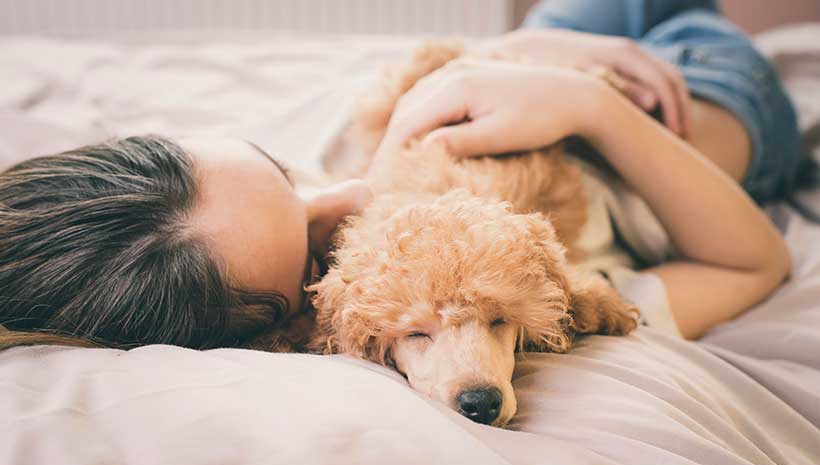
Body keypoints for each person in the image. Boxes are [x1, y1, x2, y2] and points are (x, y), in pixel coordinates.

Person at [0, 0, 801, 350]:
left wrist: (516, 60)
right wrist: (587, 104)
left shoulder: (258, 227)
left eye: (286, 171)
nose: (352, 192)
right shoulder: (499, 293)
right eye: (319, 253)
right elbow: (756, 260)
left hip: (543, 43)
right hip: (695, 97)